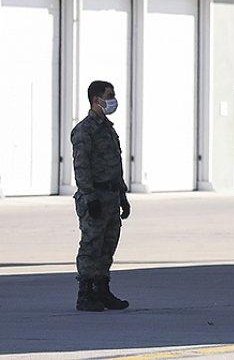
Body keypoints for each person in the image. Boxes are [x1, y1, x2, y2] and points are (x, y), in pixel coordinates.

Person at [71, 80, 132, 312]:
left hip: (111, 195)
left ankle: (102, 289)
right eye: (109, 95)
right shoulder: (85, 130)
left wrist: (123, 195)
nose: (113, 99)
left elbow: (115, 165)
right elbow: (81, 166)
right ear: (96, 100)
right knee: (91, 244)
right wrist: (89, 196)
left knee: (108, 244)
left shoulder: (108, 129)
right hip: (95, 196)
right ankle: (85, 293)